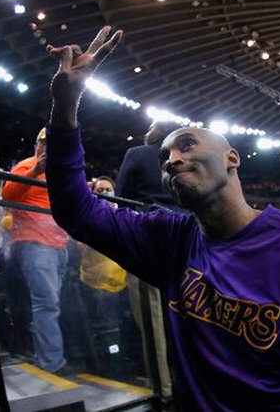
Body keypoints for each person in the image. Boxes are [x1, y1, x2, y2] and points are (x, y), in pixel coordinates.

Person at [45, 26, 280, 411]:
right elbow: (75, 209)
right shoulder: (170, 240)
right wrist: (66, 106)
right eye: (164, 158)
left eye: (187, 145)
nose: (173, 160)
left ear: (232, 158)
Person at [115, 120, 180, 399]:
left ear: (153, 133)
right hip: (188, 238)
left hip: (150, 238)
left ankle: (164, 392)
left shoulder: (138, 154)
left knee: (153, 321)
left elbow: (122, 198)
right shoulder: (185, 158)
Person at [1, 127, 70, 372]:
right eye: (44, 142)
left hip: (59, 245)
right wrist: (36, 171)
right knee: (47, 304)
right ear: (37, 145)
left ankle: (43, 355)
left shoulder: (62, 172)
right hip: (34, 243)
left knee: (51, 304)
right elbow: (7, 195)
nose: (48, 147)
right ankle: (52, 363)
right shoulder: (26, 165)